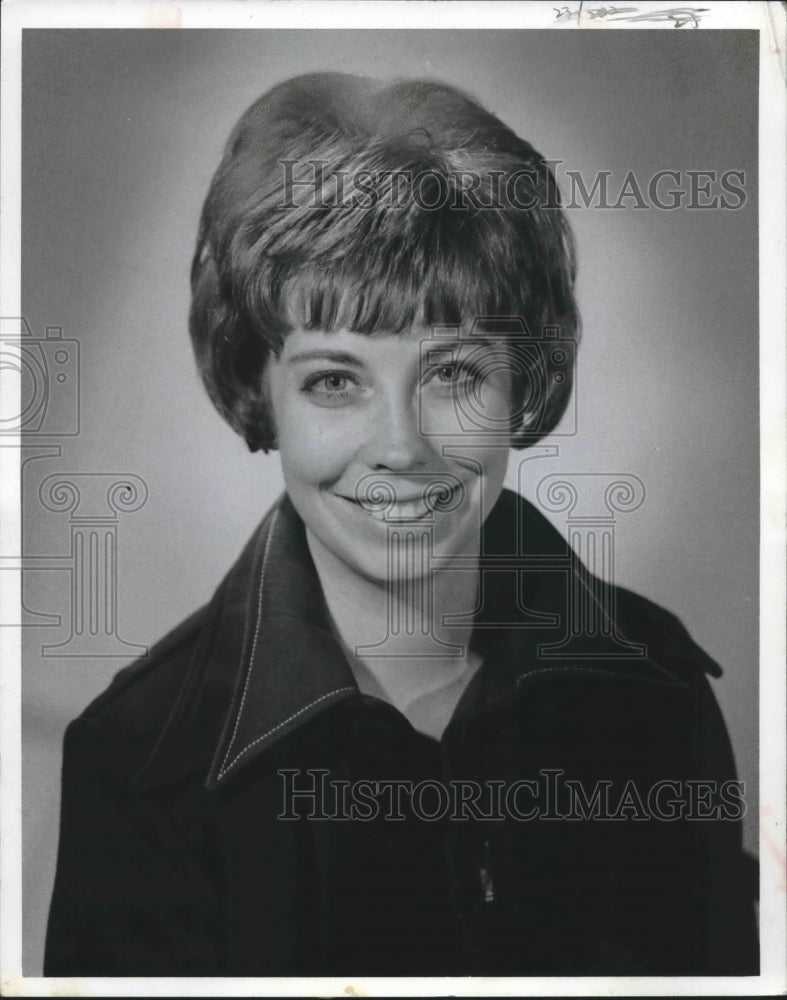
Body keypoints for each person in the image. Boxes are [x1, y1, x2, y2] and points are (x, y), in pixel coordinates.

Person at [44, 72, 758, 977]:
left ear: (521, 381)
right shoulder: (140, 763)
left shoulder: (656, 693)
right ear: (255, 383)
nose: (401, 448)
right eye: (334, 381)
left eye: (454, 373)